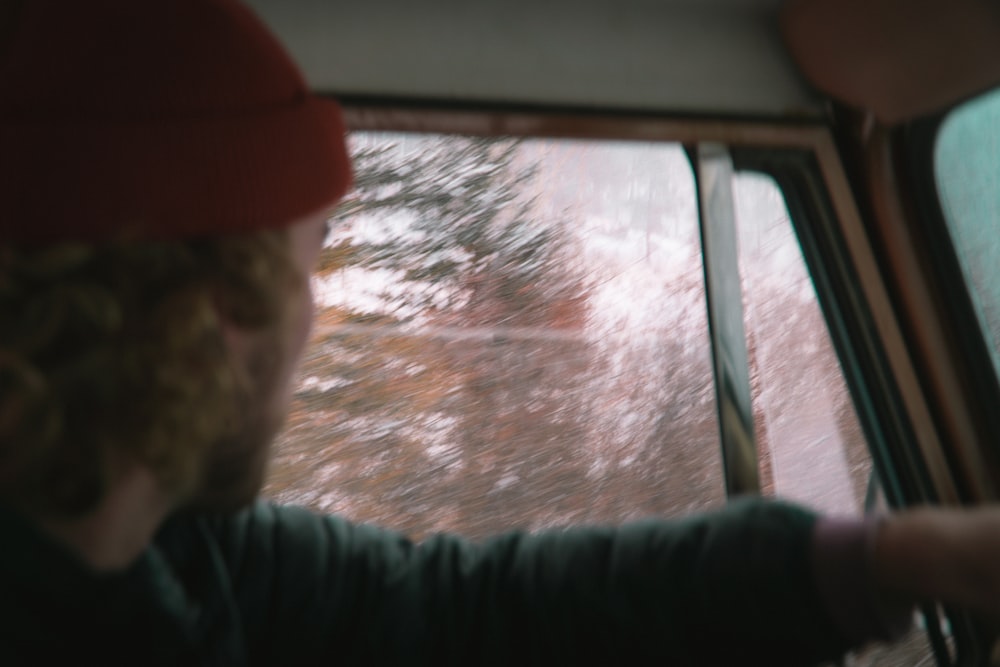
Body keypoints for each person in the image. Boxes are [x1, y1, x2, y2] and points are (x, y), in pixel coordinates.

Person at [1, 0, 999, 664]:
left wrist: (886, 560)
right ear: (210, 316)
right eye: (309, 269)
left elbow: (462, 609)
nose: (314, 323)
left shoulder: (185, 557)